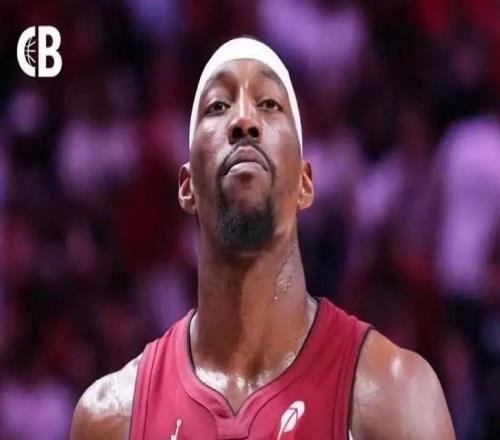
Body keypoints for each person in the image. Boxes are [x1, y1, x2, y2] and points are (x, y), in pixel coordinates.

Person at [70, 37, 455, 440]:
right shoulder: (111, 417)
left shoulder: (394, 394)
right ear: (186, 186)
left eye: (269, 104)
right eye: (218, 106)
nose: (244, 120)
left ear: (305, 183)